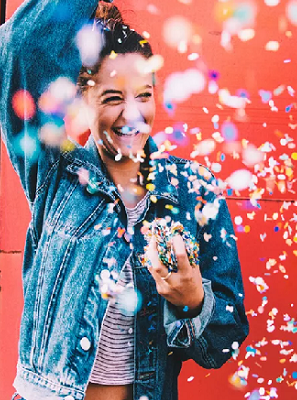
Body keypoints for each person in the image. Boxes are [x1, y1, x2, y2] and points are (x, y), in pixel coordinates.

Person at [0, 1, 249, 399]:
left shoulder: (195, 190)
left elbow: (225, 340)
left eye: (144, 95)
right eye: (113, 97)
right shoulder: (56, 174)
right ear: (84, 98)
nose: (131, 114)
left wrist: (193, 302)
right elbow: (18, 51)